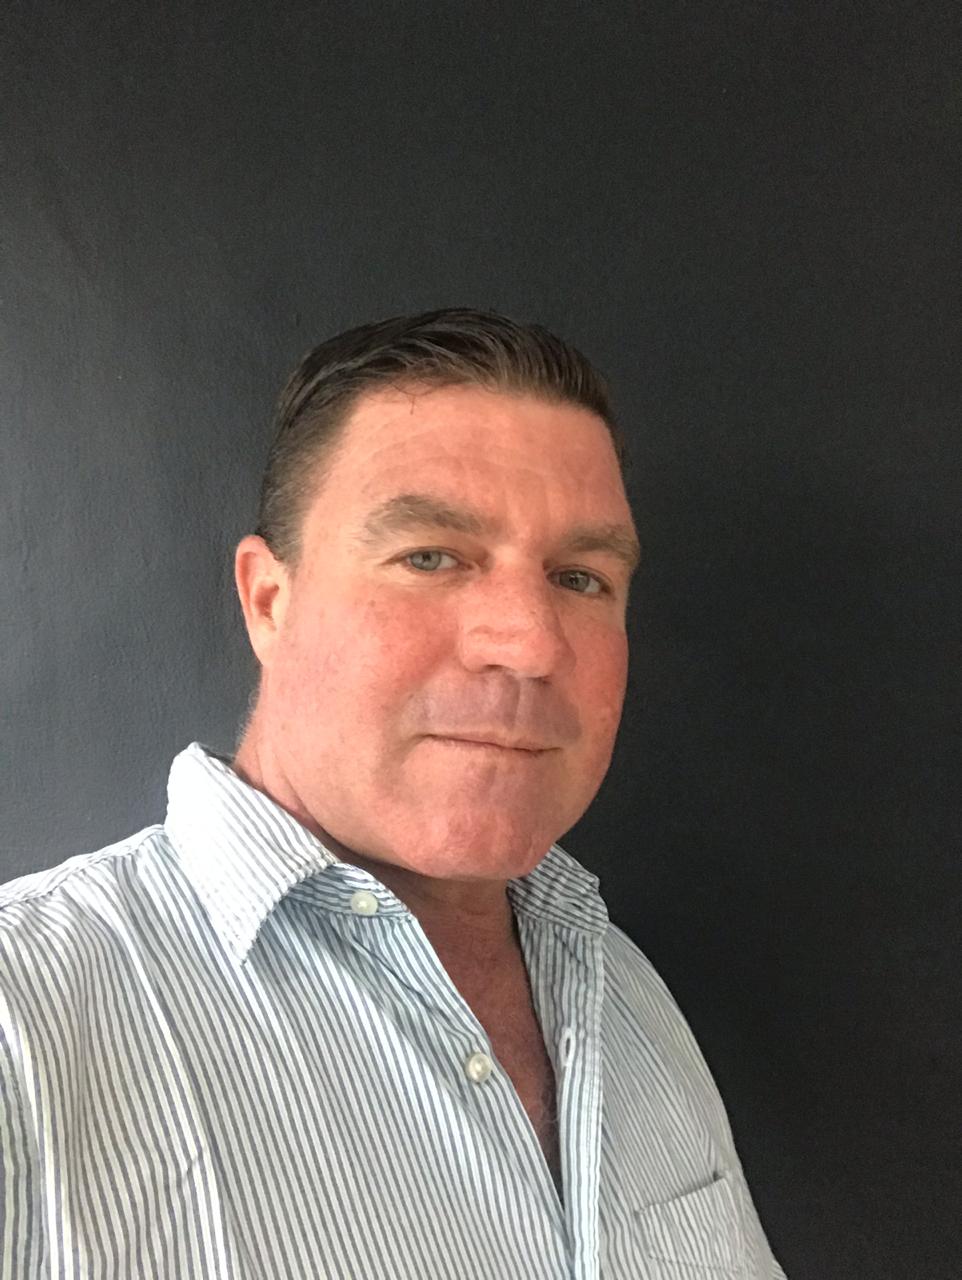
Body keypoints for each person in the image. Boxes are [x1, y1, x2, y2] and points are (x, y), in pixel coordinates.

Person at [0, 309, 787, 1279]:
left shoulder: (621, 989)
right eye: (430, 556)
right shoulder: (24, 1023)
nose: (530, 642)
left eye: (580, 578)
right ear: (269, 601)